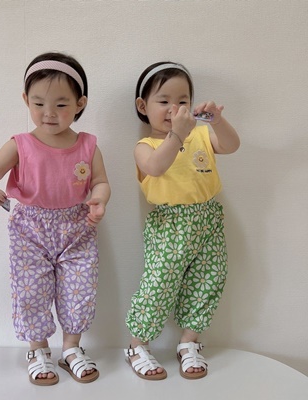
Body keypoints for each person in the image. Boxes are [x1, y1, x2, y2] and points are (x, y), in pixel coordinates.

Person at [0, 52, 110, 385]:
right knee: (32, 290)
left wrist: (99, 198)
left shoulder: (88, 146)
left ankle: (71, 348)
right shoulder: (21, 144)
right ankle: (38, 350)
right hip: (30, 231)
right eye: (39, 103)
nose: (49, 113)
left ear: (80, 104)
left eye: (61, 105)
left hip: (78, 229)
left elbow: (100, 181)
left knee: (80, 287)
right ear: (26, 100)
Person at [124, 61, 240, 380]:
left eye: (182, 101)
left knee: (209, 278)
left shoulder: (201, 135)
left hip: (207, 220)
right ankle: (137, 345)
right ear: (143, 106)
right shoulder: (145, 146)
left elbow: (231, 145)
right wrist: (177, 133)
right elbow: (156, 167)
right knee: (160, 283)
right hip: (170, 225)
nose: (174, 109)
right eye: (164, 101)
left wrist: (218, 121)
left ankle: (189, 342)